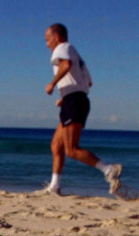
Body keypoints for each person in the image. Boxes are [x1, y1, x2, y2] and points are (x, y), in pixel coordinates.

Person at [41, 23, 123, 196]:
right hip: (74, 100)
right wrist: (65, 96)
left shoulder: (61, 48)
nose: (47, 44)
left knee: (71, 149)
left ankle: (108, 169)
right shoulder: (75, 52)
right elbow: (88, 82)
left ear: (56, 36)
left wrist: (52, 84)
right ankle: (54, 187)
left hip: (74, 102)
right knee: (56, 145)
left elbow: (66, 65)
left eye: (47, 39)